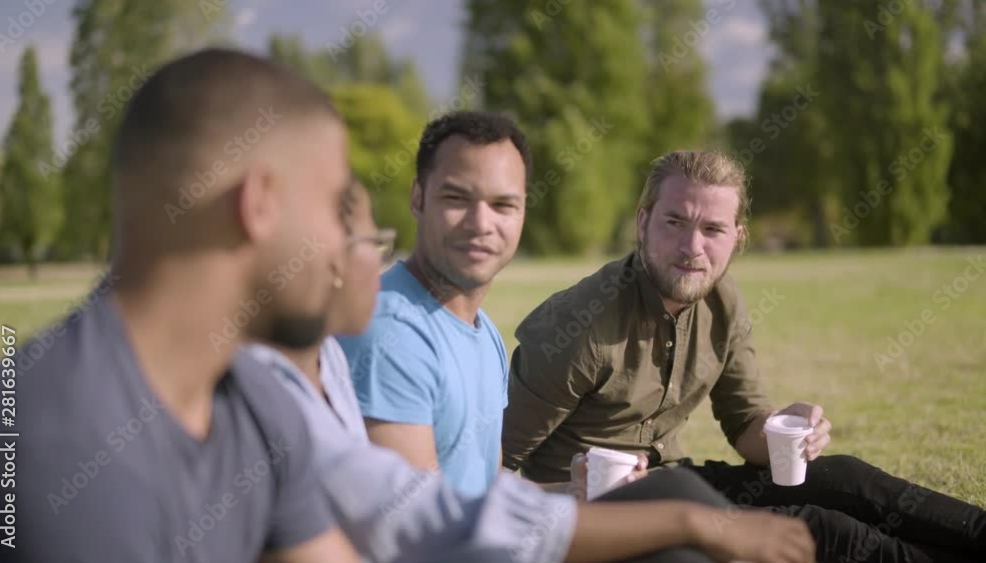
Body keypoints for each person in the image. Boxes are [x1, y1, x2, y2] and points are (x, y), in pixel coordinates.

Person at [245, 178, 817, 563]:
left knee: (713, 495)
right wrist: (685, 522)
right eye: (371, 243)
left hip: (532, 523)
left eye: (505, 205)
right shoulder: (373, 342)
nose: (379, 264)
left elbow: (482, 485)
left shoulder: (474, 338)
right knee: (680, 511)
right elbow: (425, 521)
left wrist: (567, 491)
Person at [501, 150, 986, 562]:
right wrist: (569, 492)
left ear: (738, 237)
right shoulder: (577, 327)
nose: (692, 247)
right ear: (643, 222)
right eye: (674, 222)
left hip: (676, 481)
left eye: (712, 228)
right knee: (822, 530)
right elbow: (486, 478)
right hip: (594, 521)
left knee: (847, 478)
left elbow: (745, 427)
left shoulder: (722, 302)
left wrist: (790, 429)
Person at [0, 48, 360, 562]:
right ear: (259, 203)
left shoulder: (259, 407)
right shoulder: (46, 442)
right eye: (337, 208)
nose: (343, 245)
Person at [337, 111, 644, 500]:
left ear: (523, 212)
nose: (480, 222)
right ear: (418, 198)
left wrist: (575, 492)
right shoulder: (388, 331)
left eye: (503, 204)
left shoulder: (484, 334)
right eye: (456, 198)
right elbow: (416, 522)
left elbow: (487, 490)